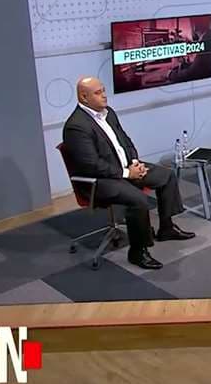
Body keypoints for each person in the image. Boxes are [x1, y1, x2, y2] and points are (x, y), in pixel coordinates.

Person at [62, 77, 195, 270]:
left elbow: (126, 141)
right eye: (98, 93)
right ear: (84, 97)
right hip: (99, 180)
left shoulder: (108, 113)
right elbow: (91, 165)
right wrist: (126, 173)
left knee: (166, 176)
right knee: (138, 200)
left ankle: (166, 228)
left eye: (104, 90)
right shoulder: (76, 126)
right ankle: (138, 252)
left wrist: (135, 162)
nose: (104, 95)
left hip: (125, 167)